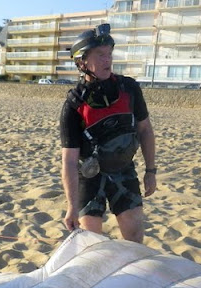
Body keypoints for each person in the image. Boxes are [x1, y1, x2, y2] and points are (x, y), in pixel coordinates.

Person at [59, 23, 157, 243]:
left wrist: (151, 171)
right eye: (100, 55)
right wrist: (72, 207)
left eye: (109, 54)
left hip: (124, 170)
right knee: (92, 243)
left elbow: (145, 130)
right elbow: (69, 161)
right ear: (82, 61)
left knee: (134, 238)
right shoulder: (74, 104)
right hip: (90, 176)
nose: (107, 60)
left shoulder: (129, 89)